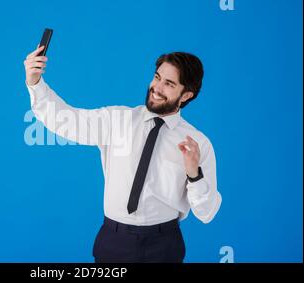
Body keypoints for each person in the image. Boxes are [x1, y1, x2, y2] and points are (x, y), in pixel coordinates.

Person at [23, 45, 222, 263]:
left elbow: (207, 213)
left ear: (186, 95)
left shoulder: (198, 144)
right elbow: (65, 119)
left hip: (164, 245)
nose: (156, 87)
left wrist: (195, 175)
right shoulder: (117, 120)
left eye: (169, 84)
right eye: (157, 77)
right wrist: (35, 83)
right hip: (115, 240)